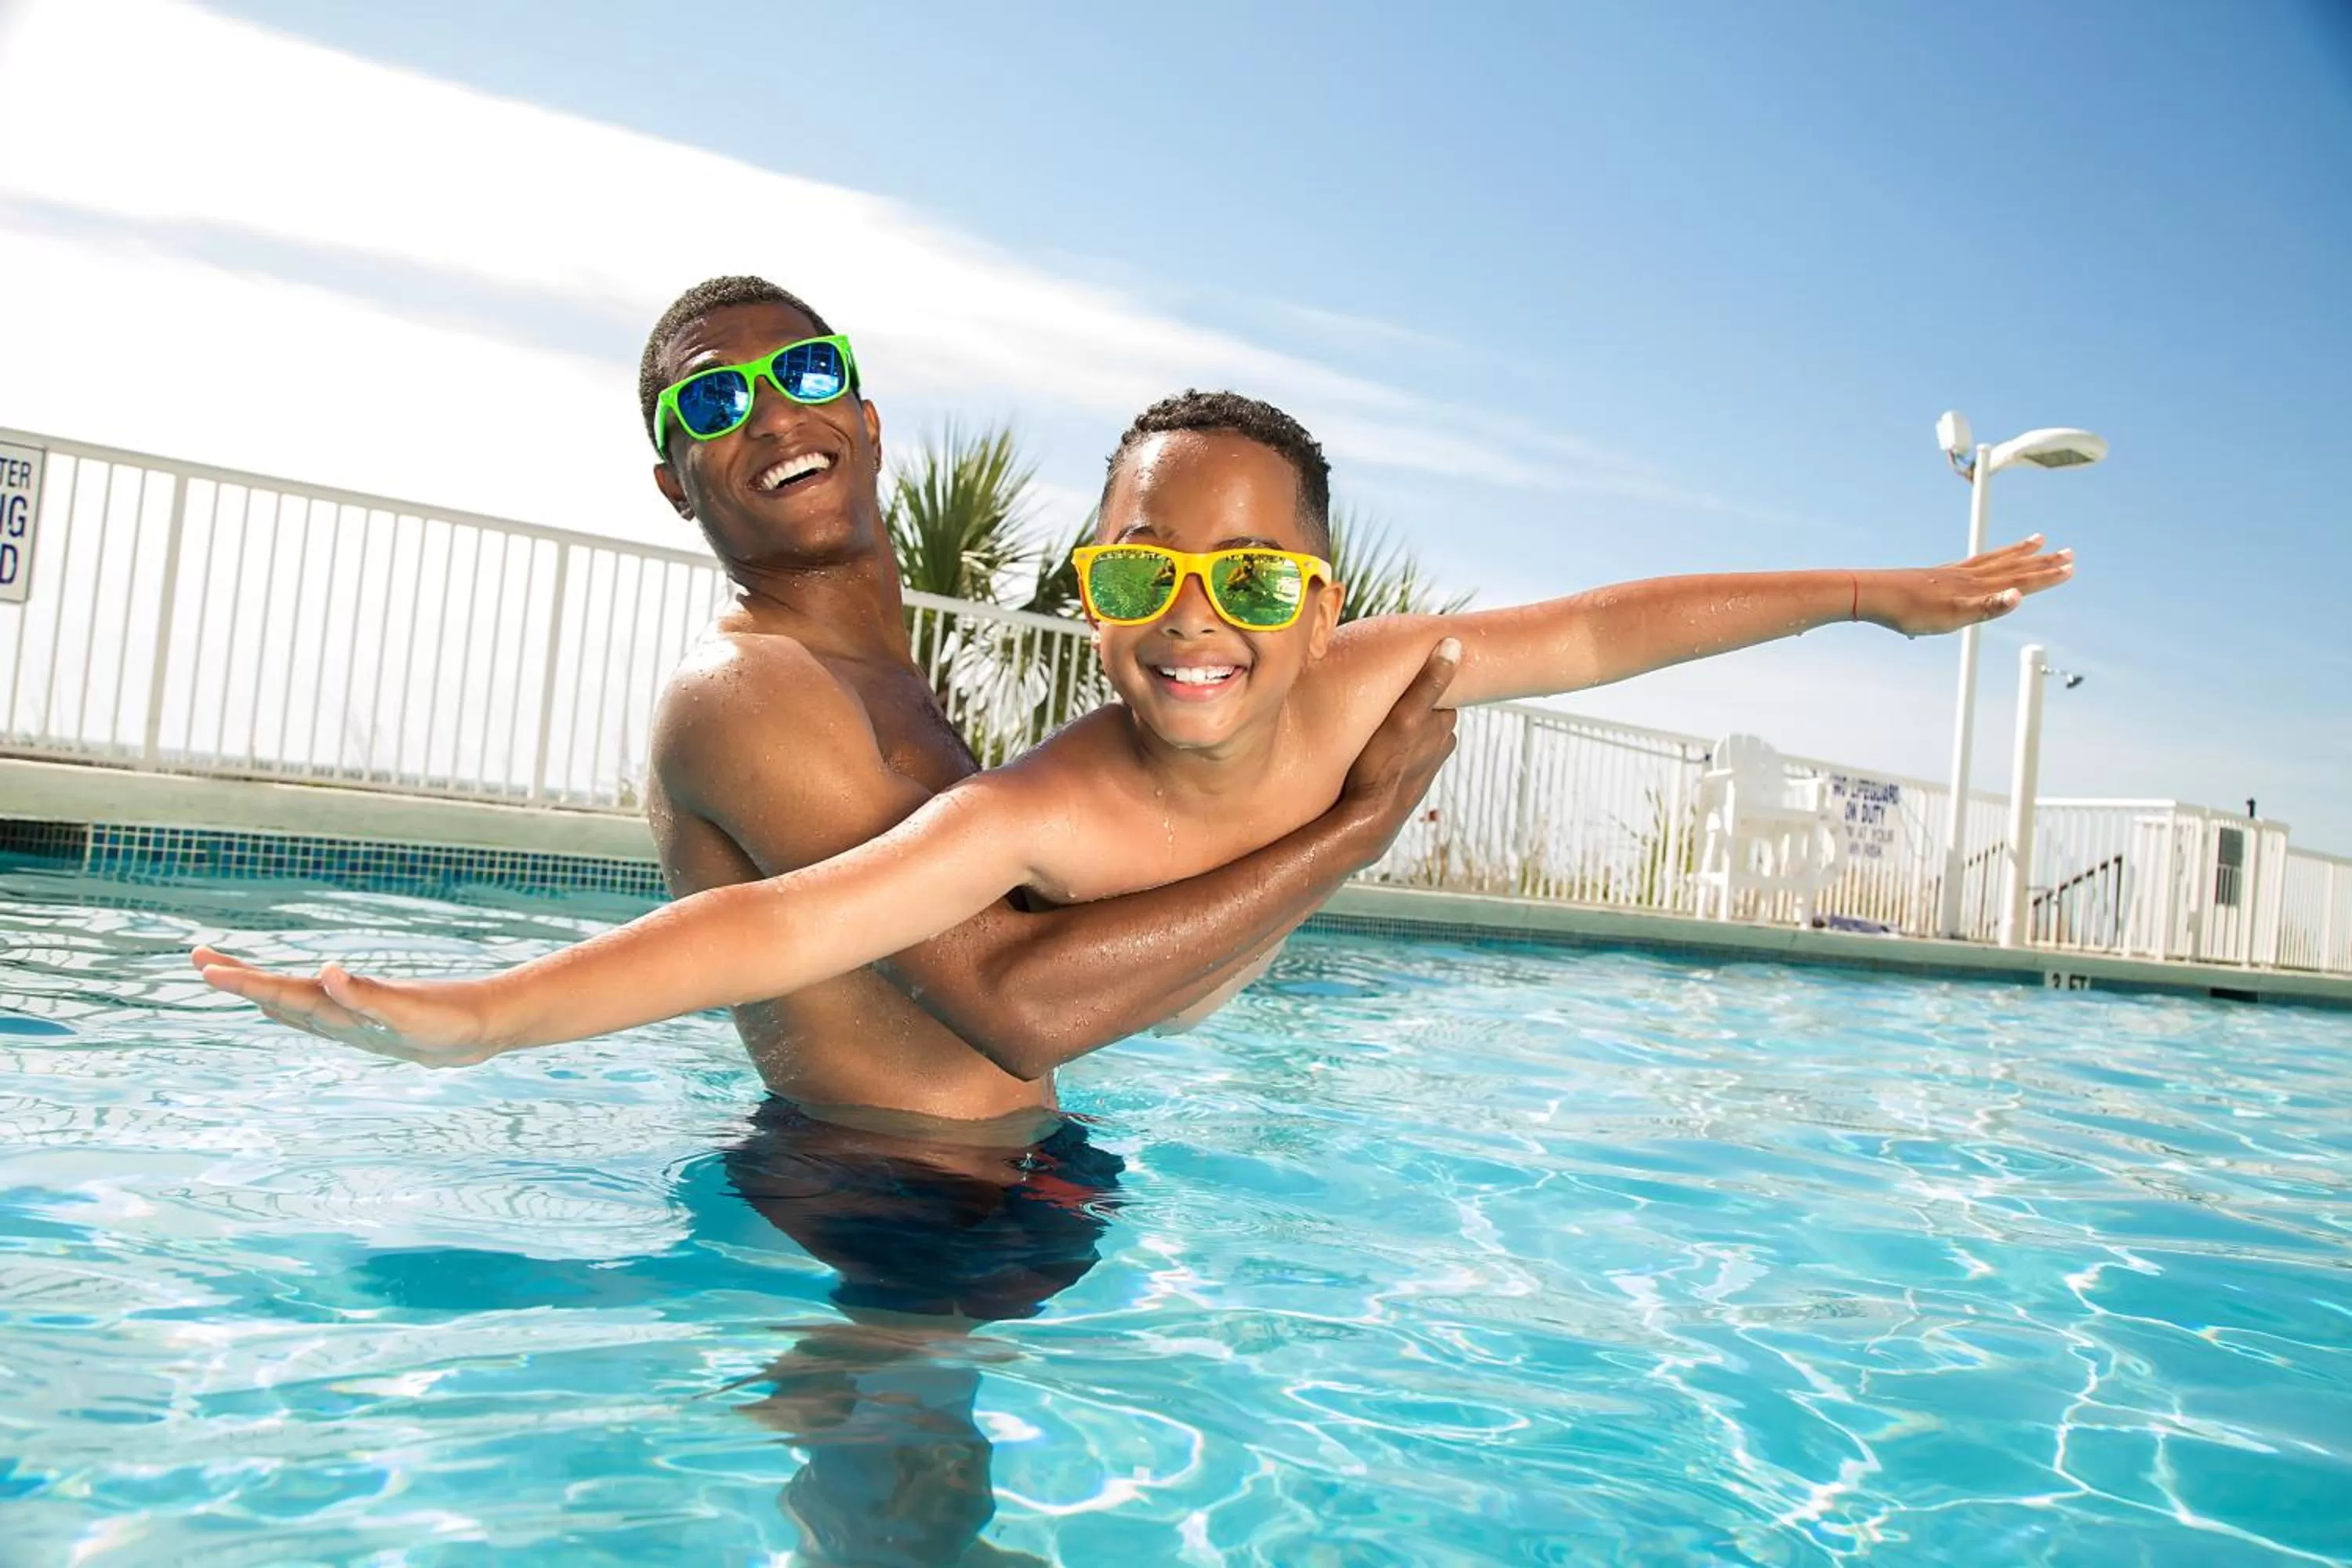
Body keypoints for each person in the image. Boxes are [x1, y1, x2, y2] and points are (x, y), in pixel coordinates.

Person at [194, 386, 2074, 1056]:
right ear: (1086, 586)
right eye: (1140, 572)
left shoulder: (1378, 676)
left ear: (1321, 601)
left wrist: (1874, 593)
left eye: (1253, 579)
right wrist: (478, 1018)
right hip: (1047, 1063)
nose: (1195, 621)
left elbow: (1607, 625)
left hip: (1136, 1045)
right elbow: (765, 927)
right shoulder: (1040, 812)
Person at [194, 277, 1461, 1125]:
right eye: (713, 400)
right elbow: (1013, 1005)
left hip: (995, 1180)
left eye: (803, 372)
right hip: (883, 1201)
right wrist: (1350, 832)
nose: (770, 415)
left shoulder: (884, 684)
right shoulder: (751, 693)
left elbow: (1127, 979)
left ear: (865, 419)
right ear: (674, 483)